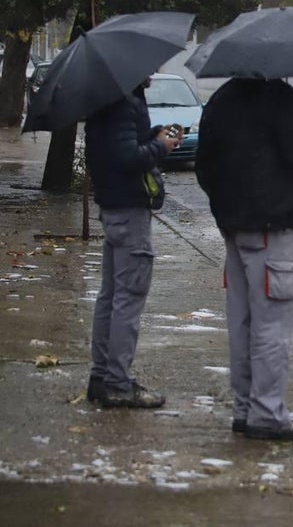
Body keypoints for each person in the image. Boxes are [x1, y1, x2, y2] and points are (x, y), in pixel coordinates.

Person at [194, 78, 293, 441]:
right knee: (273, 325)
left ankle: (245, 409)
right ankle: (267, 413)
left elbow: (203, 165)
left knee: (242, 322)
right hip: (273, 227)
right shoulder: (284, 100)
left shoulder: (221, 99)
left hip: (235, 229)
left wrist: (227, 210)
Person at [85, 79, 181, 408]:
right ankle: (117, 383)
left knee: (110, 296)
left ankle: (102, 377)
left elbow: (118, 146)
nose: (156, 69)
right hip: (129, 212)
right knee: (128, 298)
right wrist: (161, 147)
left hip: (113, 209)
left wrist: (152, 135)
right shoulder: (124, 101)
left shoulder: (107, 98)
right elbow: (127, 157)